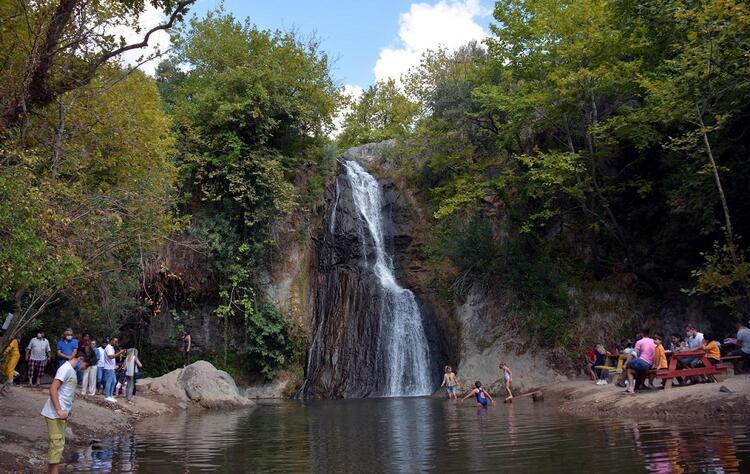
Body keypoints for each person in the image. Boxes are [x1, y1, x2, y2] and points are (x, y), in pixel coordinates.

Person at [41, 353, 90, 474]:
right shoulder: (65, 369)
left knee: (58, 446)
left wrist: (67, 411)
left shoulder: (71, 370)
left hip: (61, 415)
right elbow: (53, 389)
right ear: (80, 359)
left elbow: (66, 393)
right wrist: (59, 410)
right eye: (86, 365)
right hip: (54, 413)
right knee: (56, 445)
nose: (85, 368)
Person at [625, 329, 655, 394]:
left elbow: (634, 354)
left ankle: (630, 387)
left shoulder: (640, 342)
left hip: (642, 361)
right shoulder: (653, 341)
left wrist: (625, 363)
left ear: (642, 334)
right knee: (636, 370)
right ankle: (636, 386)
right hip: (650, 364)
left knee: (628, 368)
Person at [102, 337, 126, 403]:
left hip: (112, 367)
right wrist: (120, 352)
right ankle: (107, 396)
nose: (116, 343)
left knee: (114, 381)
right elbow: (111, 357)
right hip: (108, 368)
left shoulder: (112, 348)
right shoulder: (109, 347)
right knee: (109, 382)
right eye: (115, 341)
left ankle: (110, 395)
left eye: (117, 342)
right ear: (111, 341)